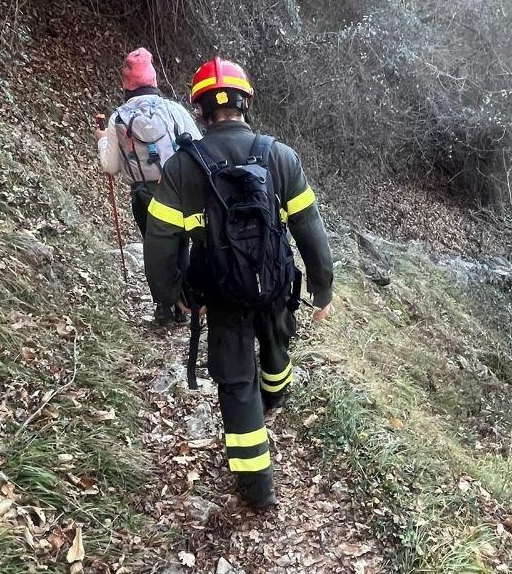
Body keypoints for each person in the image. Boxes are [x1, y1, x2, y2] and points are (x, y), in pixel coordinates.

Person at [144, 57, 334, 508]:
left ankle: (256, 487)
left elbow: (159, 240)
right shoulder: (280, 156)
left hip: (221, 293)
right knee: (276, 348)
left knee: (234, 383)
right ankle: (277, 394)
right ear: (245, 102)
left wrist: (173, 295)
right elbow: (309, 227)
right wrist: (321, 287)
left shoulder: (183, 168)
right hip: (275, 284)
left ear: (201, 110)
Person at [95, 47, 201, 324]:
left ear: (126, 84)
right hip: (179, 190)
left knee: (155, 248)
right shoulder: (175, 111)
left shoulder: (117, 118)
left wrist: (101, 140)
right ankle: (184, 301)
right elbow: (199, 147)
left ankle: (164, 306)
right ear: (154, 81)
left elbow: (110, 166)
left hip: (143, 194)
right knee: (181, 243)